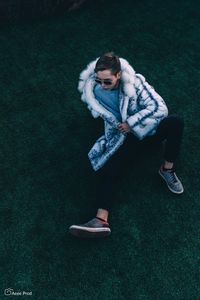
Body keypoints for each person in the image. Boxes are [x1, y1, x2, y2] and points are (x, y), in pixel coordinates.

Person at [69, 52, 184, 238]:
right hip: (125, 138)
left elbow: (160, 108)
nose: (103, 86)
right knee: (110, 168)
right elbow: (104, 116)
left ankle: (167, 169)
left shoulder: (135, 83)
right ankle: (100, 219)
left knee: (175, 122)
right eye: (99, 81)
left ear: (119, 75)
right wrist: (120, 131)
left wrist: (131, 123)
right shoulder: (93, 91)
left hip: (149, 132)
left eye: (108, 81)